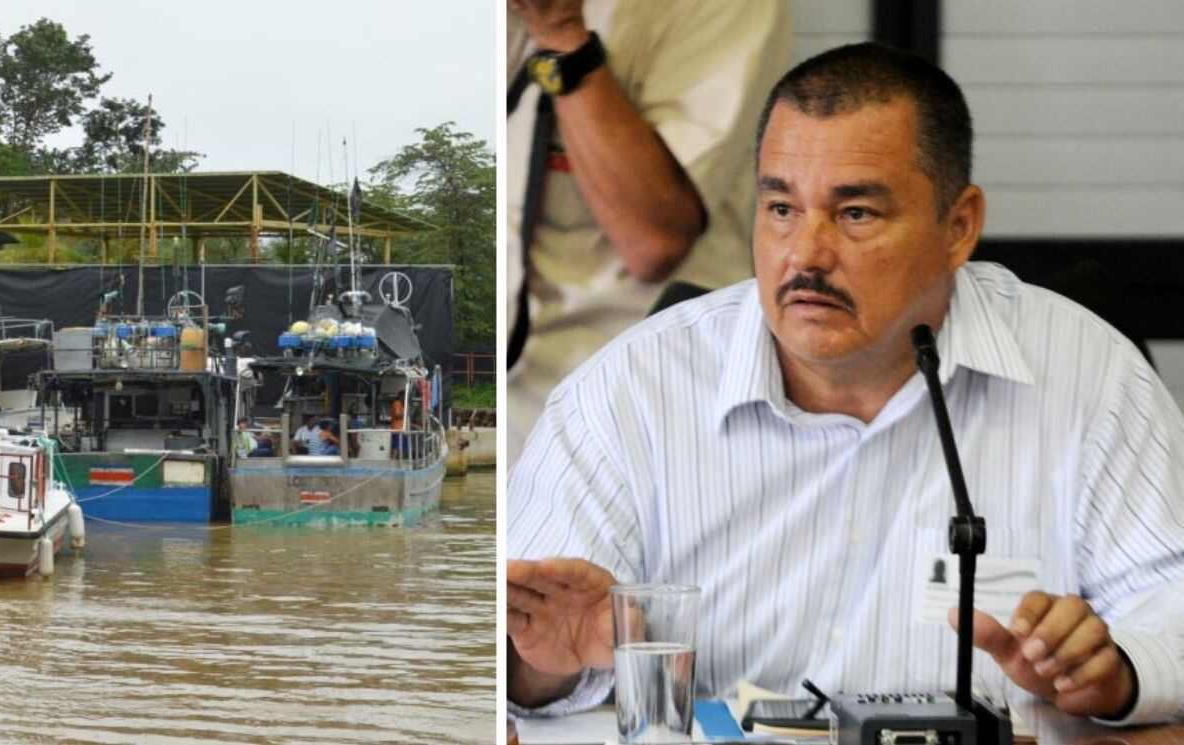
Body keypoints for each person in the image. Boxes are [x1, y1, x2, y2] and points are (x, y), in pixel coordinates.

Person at [507, 43, 1184, 726]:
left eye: (855, 213)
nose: (805, 254)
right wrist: (546, 661)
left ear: (958, 227)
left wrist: (1115, 672)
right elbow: (524, 660)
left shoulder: (1089, 375)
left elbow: (1172, 611)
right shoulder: (627, 391)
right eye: (780, 209)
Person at [505, 0, 793, 466]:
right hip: (519, 419)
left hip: (649, 420)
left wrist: (560, 33)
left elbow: (653, 239)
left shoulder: (726, 9)